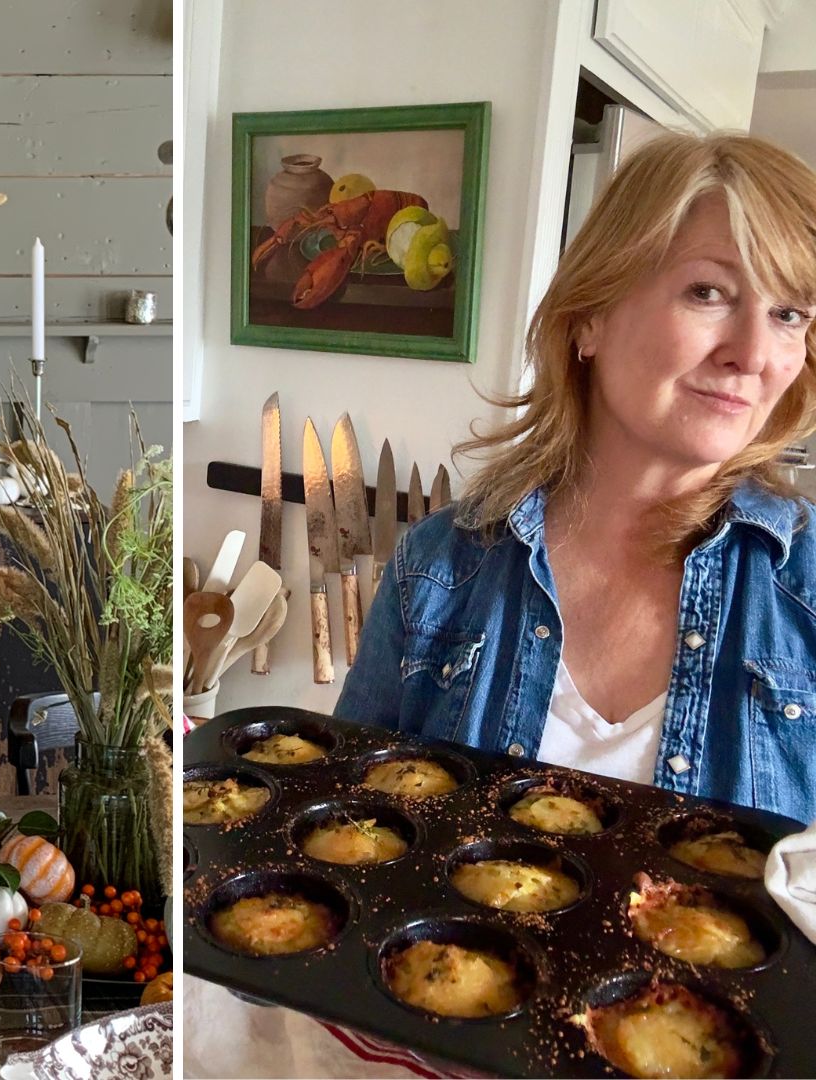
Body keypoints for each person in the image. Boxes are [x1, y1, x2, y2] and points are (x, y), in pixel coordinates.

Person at [337, 131, 816, 826]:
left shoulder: (803, 589)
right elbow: (346, 833)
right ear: (590, 315)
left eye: (788, 314)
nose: (753, 353)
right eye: (709, 292)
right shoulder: (440, 568)